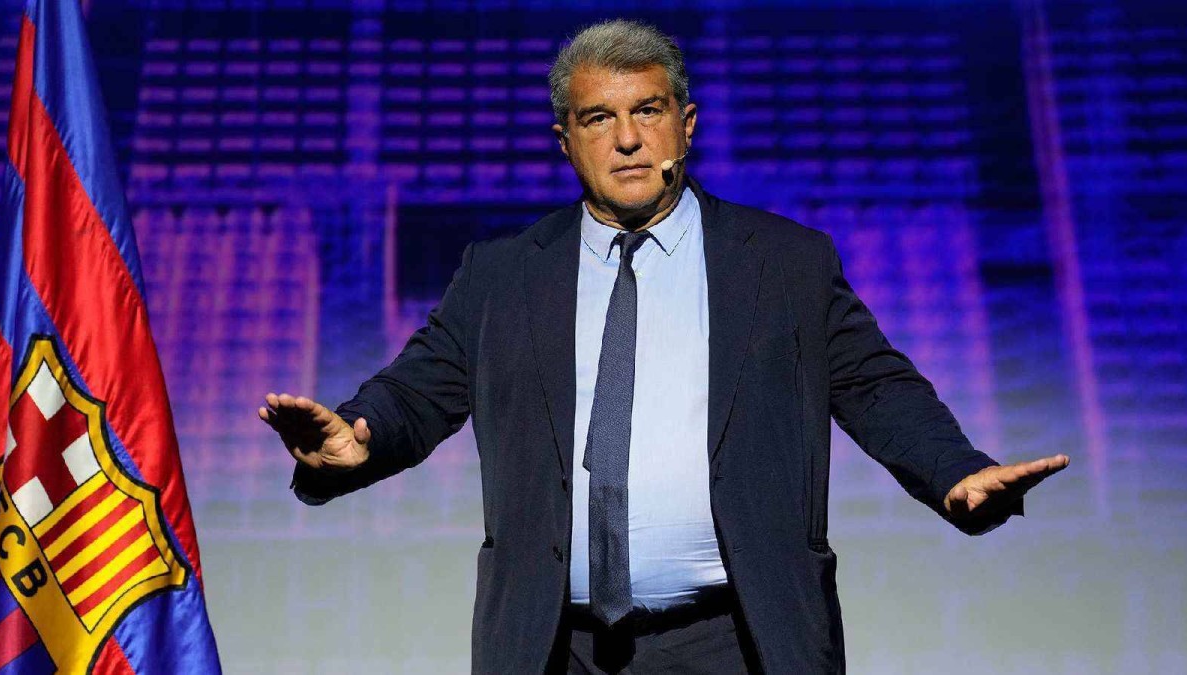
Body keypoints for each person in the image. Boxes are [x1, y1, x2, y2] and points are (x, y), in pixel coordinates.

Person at [259, 19, 1069, 674]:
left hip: (737, 640)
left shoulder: (783, 264)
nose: (627, 140)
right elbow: (418, 387)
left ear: (686, 124)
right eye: (597, 119)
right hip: (552, 645)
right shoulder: (502, 275)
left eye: (647, 111)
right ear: (565, 140)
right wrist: (356, 437)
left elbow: (877, 386)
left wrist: (954, 470)